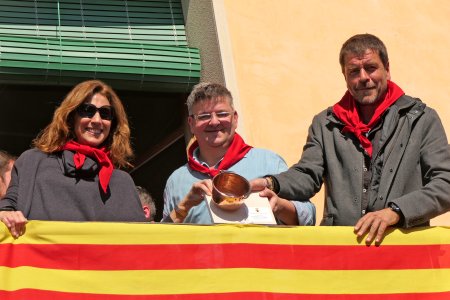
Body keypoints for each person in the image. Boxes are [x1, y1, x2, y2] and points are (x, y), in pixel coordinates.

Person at [252, 33, 450, 244]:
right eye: (354, 71)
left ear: (388, 69)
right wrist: (270, 182)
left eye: (371, 67)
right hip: (341, 253)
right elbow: (308, 174)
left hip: (404, 253)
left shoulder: (421, 119)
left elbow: (445, 183)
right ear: (345, 77)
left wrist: (396, 212)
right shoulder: (325, 124)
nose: (363, 77)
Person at [0, 80, 147, 238]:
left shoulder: (122, 182)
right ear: (71, 117)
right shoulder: (32, 162)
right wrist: (5, 215)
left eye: (105, 113)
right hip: (40, 262)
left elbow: (139, 242)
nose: (97, 120)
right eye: (87, 110)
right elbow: (6, 208)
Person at [162, 82, 315, 225]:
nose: (214, 122)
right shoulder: (176, 181)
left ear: (235, 118)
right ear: (191, 124)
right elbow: (163, 239)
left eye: (222, 114)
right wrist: (185, 206)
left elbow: (309, 216)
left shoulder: (269, 162)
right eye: (204, 116)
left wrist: (279, 206)